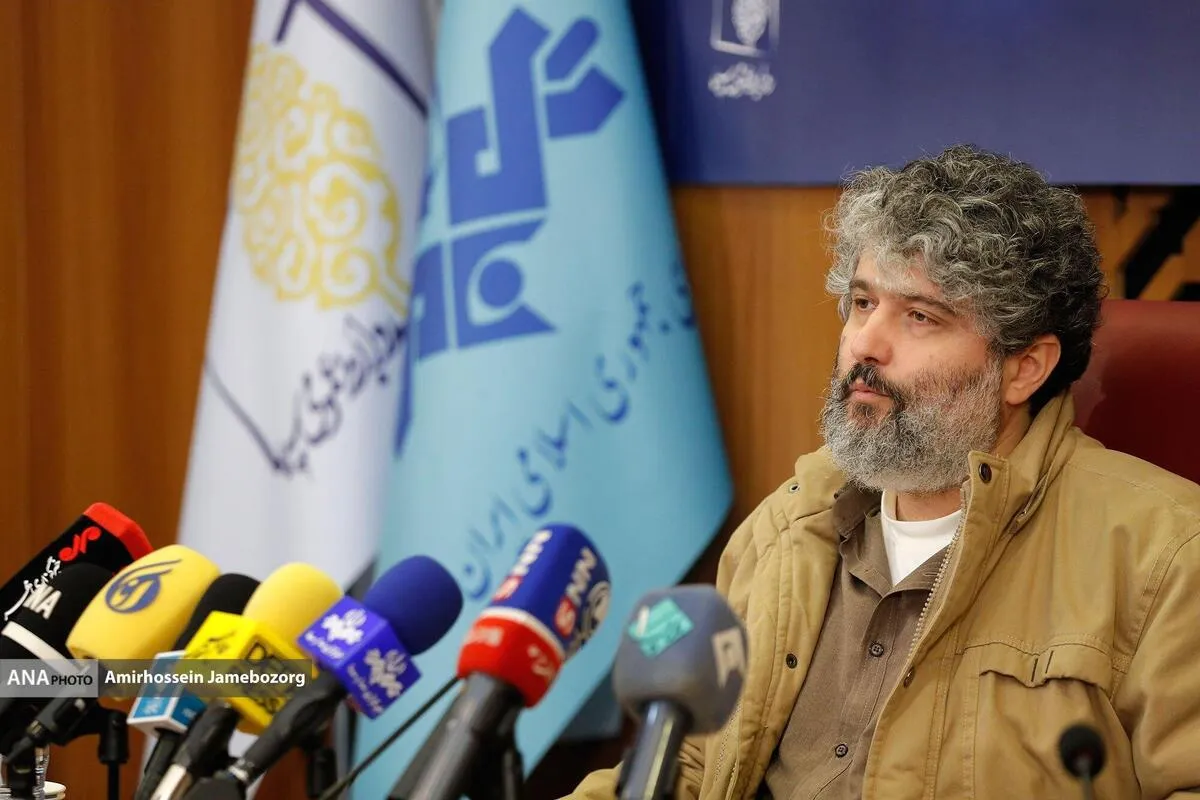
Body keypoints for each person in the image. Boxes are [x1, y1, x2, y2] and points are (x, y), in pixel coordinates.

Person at [568, 145, 1200, 799]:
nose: (865, 342)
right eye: (863, 302)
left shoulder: (1167, 557)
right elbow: (688, 769)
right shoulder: (785, 526)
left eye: (920, 316)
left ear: (1025, 369)